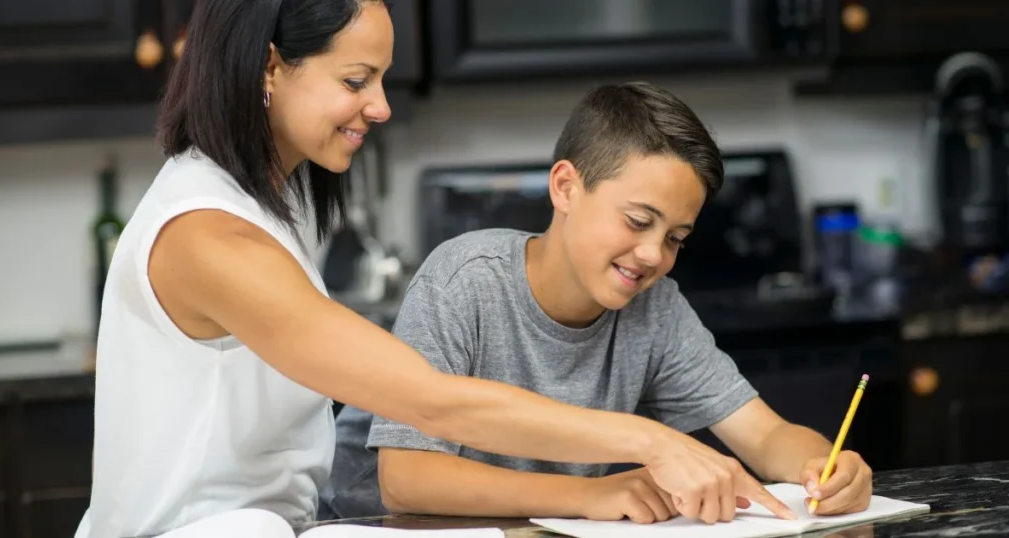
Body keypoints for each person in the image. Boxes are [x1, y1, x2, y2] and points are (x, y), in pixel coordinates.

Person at [74, 2, 797, 538]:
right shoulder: (209, 237)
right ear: (269, 65)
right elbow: (433, 403)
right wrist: (651, 440)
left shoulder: (269, 202)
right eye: (357, 78)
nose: (380, 106)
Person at [323, 81, 875, 525]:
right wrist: (586, 495)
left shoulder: (656, 308)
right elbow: (405, 481)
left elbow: (766, 434)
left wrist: (823, 467)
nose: (653, 254)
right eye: (638, 221)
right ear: (565, 188)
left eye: (677, 238)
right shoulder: (464, 280)